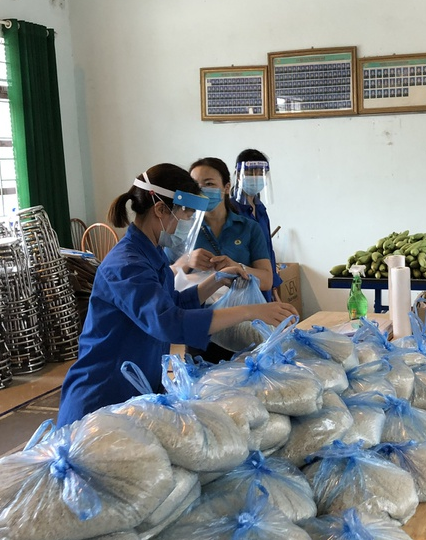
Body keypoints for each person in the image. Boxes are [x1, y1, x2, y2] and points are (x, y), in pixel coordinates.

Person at [57, 163, 297, 426]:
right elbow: (168, 322)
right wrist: (252, 311)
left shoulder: (153, 253)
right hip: (103, 395)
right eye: (185, 214)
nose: (187, 224)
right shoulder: (126, 265)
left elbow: (173, 302)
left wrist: (216, 281)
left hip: (136, 390)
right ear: (160, 209)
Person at [178, 156, 274, 362]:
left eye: (209, 184)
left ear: (226, 187)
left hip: (246, 329)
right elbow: (167, 274)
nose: (202, 190)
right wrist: (187, 261)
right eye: (196, 186)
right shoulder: (183, 228)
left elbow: (267, 279)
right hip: (202, 329)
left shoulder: (248, 228)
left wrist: (237, 267)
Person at [229, 150, 282, 302]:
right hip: (243, 289)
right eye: (251, 173)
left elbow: (267, 251)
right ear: (239, 175)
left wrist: (273, 287)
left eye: (260, 173)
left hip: (265, 286)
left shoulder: (260, 209)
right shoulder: (232, 211)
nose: (256, 177)